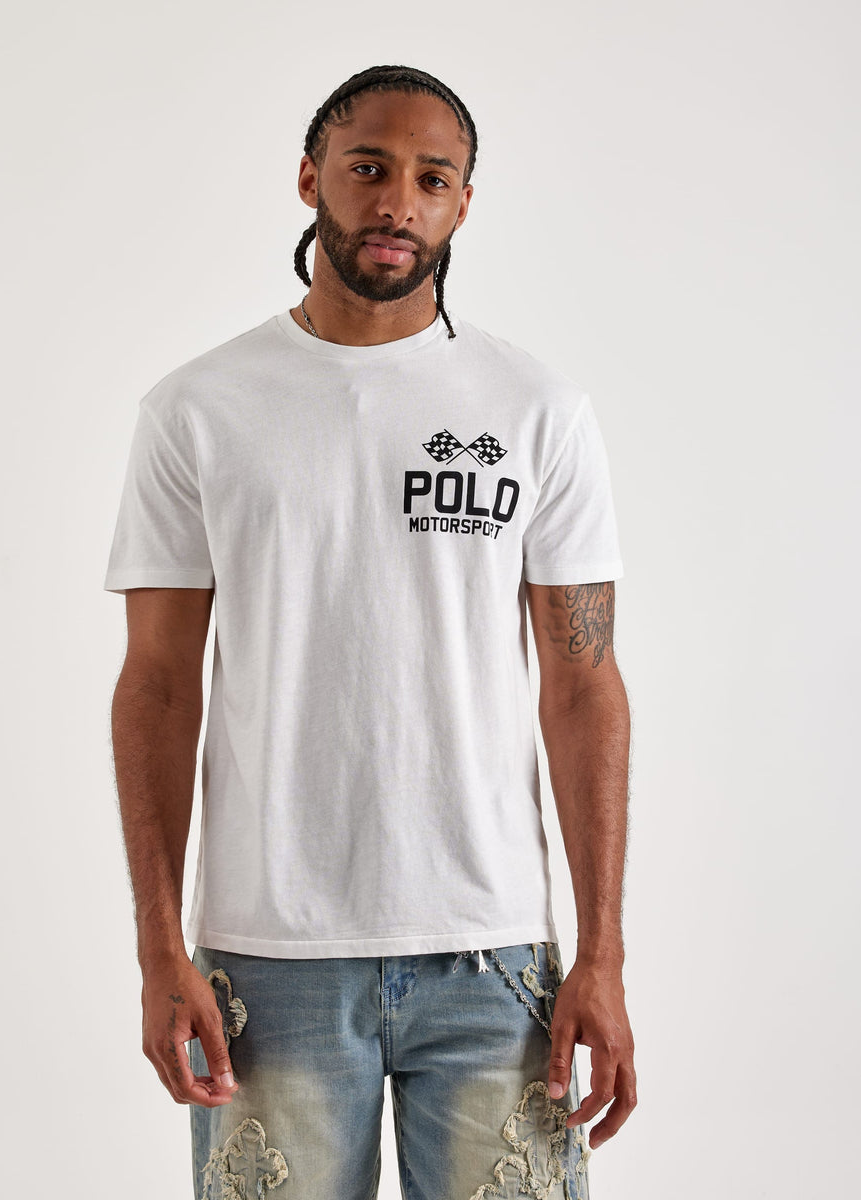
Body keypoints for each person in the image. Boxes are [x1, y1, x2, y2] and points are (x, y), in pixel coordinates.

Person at [104, 64, 636, 1200]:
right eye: (368, 167)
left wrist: (603, 951)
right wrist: (158, 947)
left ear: (462, 205)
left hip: (493, 959)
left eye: (432, 178)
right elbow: (157, 684)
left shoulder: (536, 411)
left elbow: (584, 684)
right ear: (311, 180)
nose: (397, 201)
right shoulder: (197, 410)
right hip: (267, 963)